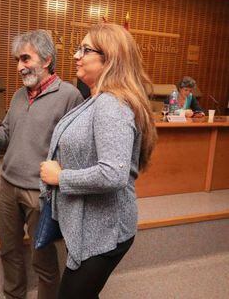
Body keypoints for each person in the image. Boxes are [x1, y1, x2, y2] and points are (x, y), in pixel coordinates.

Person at [40, 23, 158, 298]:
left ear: (110, 59)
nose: (75, 56)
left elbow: (113, 174)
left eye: (85, 49)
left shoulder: (110, 104)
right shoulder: (96, 99)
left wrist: (61, 177)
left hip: (104, 230)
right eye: (77, 49)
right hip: (90, 223)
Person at [0, 30, 83, 299]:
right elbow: (5, 138)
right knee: (9, 251)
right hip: (8, 186)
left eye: (25, 58)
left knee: (43, 260)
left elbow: (77, 151)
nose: (19, 66)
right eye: (17, 60)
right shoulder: (20, 95)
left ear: (46, 60)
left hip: (40, 193)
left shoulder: (69, 95)